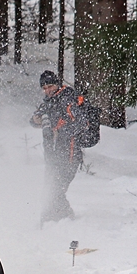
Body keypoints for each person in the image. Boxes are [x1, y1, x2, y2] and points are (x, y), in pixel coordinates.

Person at [31, 70, 85, 221]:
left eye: (50, 86)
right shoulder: (49, 102)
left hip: (70, 155)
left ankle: (66, 218)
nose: (47, 90)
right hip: (54, 155)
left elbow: (81, 122)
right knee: (49, 190)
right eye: (44, 88)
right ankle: (52, 218)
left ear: (57, 84)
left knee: (56, 191)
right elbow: (34, 118)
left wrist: (59, 129)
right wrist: (38, 119)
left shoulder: (67, 98)